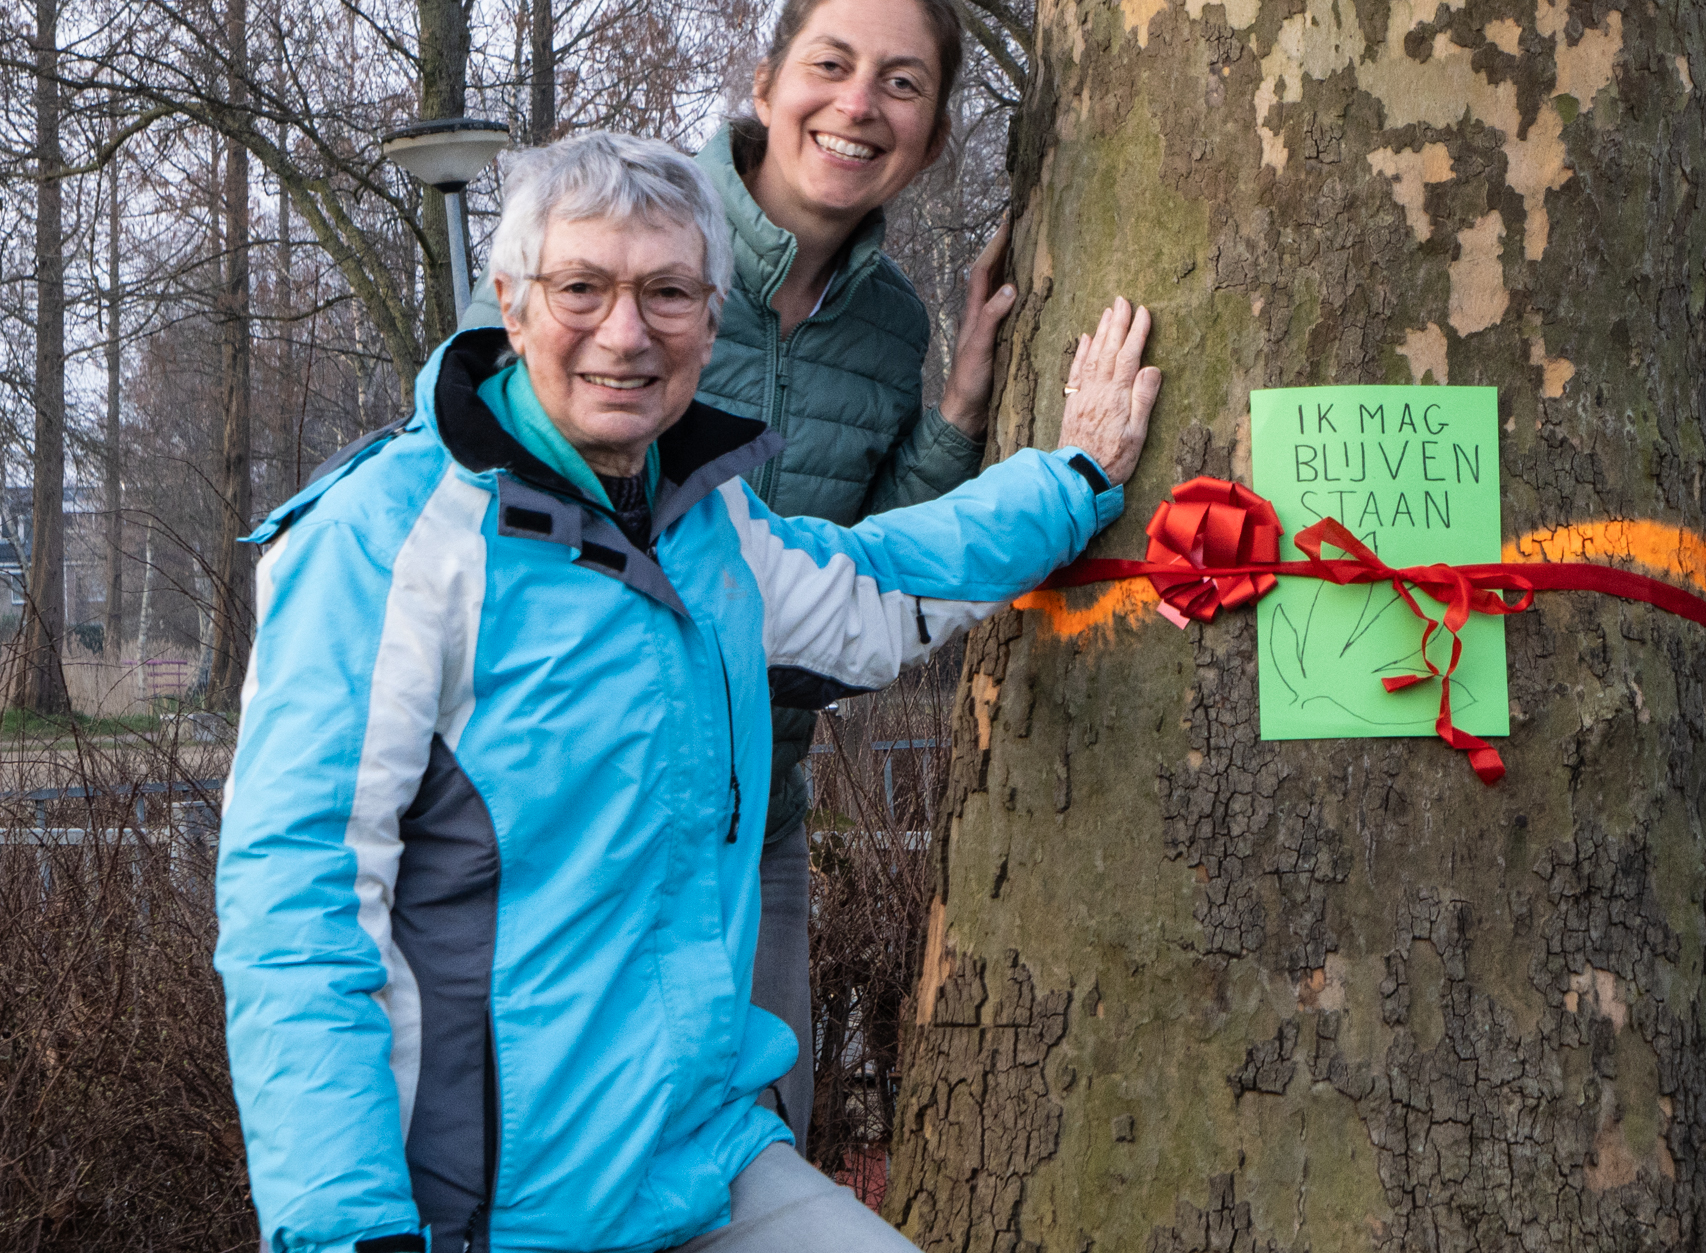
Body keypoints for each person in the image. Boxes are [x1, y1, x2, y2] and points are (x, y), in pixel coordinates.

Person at [220, 131, 1162, 1252]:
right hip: (488, 1213)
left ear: (711, 321)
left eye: (667, 292)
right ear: (511, 307)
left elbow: (878, 582)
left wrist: (1075, 478)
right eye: (584, 288)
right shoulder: (382, 541)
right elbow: (297, 914)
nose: (626, 332)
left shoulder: (707, 522)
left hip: (700, 1160)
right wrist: (349, 1231)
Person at [460, 0, 1014, 1146]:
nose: (859, 103)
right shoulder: (616, 239)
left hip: (753, 820)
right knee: (550, 1169)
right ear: (765, 83)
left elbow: (856, 573)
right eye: (832, 61)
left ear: (927, 136)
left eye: (903, 82)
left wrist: (962, 412)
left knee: (755, 1154)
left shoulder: (890, 325)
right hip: (564, 827)